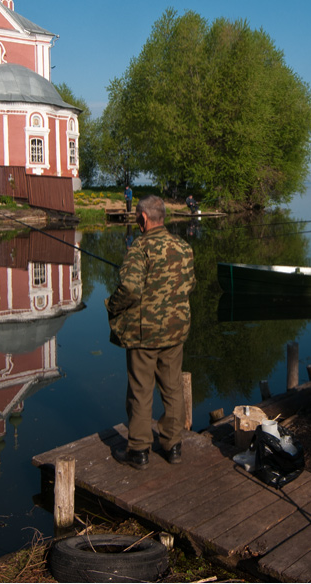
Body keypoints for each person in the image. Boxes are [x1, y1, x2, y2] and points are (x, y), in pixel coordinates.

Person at [106, 195, 196, 470]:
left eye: (136, 216)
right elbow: (190, 284)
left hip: (145, 334)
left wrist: (113, 304)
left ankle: (139, 450)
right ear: (163, 217)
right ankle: (173, 446)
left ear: (143, 219)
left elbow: (131, 289)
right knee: (172, 388)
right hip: (176, 329)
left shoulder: (139, 248)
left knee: (140, 390)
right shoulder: (183, 246)